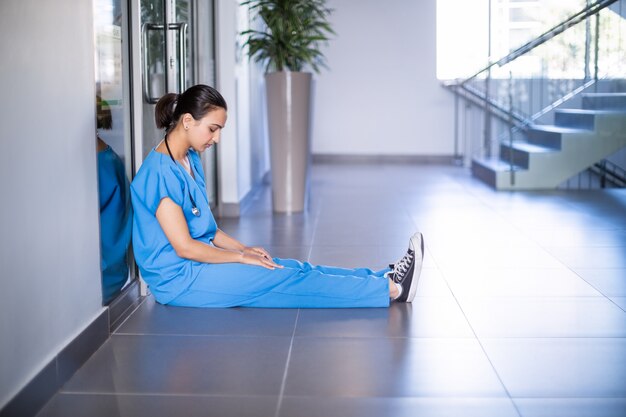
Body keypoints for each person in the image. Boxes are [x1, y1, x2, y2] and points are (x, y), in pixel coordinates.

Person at [130, 84, 424, 308]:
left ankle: (380, 278)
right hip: (181, 280)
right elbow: (186, 248)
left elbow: (207, 230)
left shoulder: (189, 159)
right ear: (187, 121)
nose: (217, 138)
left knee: (292, 267)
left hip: (201, 265)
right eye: (213, 129)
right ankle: (392, 292)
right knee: (284, 278)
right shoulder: (158, 173)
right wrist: (240, 258)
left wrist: (246, 249)